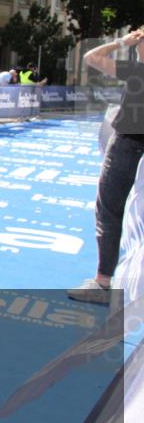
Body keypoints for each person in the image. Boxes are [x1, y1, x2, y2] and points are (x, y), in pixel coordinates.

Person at [68, 27, 144, 304]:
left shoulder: (137, 71)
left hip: (127, 144)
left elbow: (91, 57)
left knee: (109, 210)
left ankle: (103, 282)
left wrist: (120, 42)